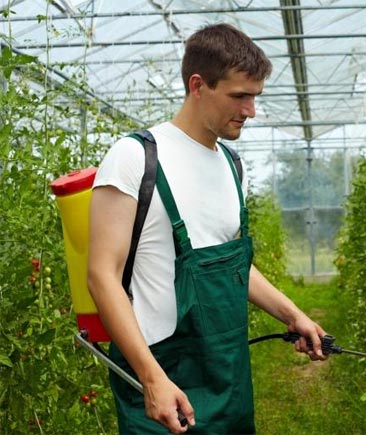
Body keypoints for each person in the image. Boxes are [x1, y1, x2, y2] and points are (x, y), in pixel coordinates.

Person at [87, 23, 327, 434]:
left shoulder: (231, 166)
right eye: (239, 96)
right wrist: (151, 378)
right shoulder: (135, 158)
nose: (250, 110)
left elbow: (228, 264)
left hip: (226, 373)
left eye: (255, 97)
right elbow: (101, 275)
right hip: (162, 373)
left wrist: (292, 314)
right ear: (197, 85)